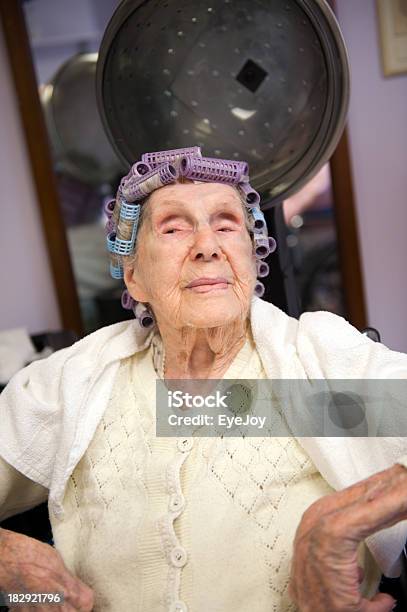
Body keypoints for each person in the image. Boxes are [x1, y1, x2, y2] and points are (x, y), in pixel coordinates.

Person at [0, 147, 407, 612]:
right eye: (173, 227)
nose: (207, 245)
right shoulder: (78, 379)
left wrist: (336, 523)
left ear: (252, 260)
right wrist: (7, 563)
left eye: (227, 224)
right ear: (133, 277)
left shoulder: (312, 366)